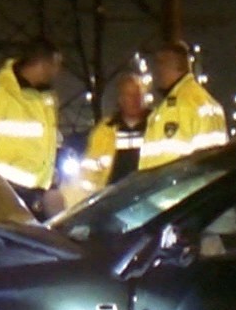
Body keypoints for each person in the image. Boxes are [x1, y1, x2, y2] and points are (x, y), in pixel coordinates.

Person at [0, 39, 62, 218]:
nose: (58, 71)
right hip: (1, 197)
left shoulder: (46, 98)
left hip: (35, 197)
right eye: (56, 65)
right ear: (43, 64)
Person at [137, 41, 227, 171]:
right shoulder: (203, 101)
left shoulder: (181, 106)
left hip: (176, 183)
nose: (155, 71)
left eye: (160, 63)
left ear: (175, 65)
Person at [77, 73, 150, 195]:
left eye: (138, 94)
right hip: (114, 198)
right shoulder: (104, 131)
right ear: (120, 99)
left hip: (150, 194)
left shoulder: (157, 124)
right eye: (129, 95)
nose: (135, 99)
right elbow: (89, 173)